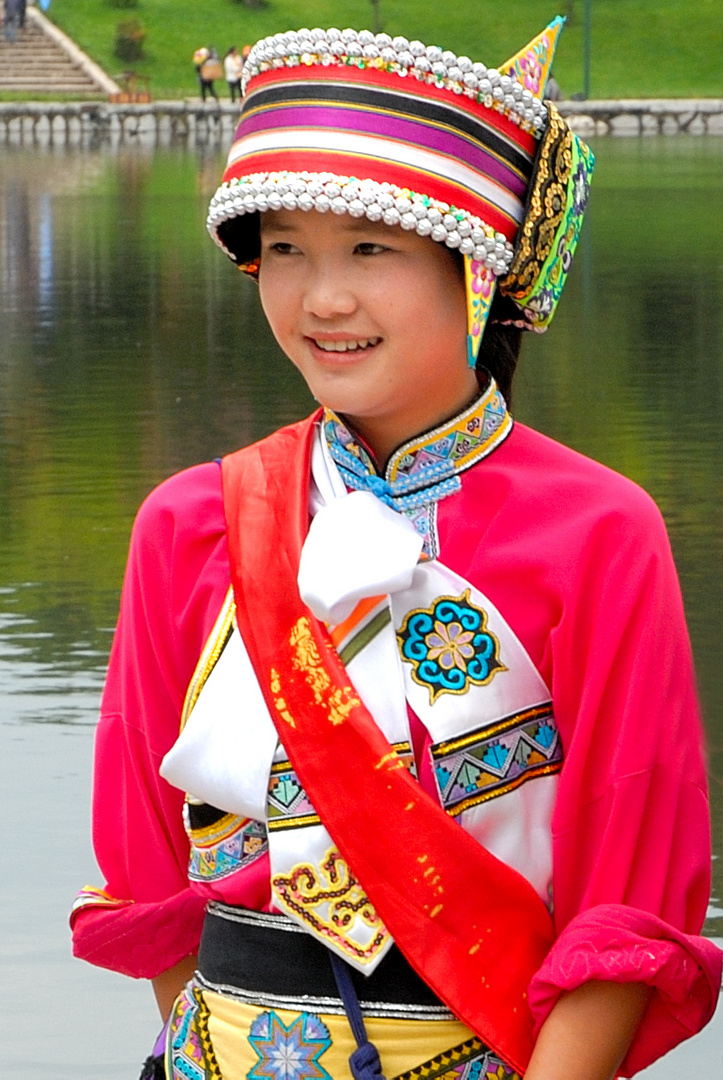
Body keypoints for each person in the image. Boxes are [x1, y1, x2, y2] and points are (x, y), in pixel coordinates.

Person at [71, 18, 722, 1080]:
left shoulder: (599, 533)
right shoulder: (192, 523)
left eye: (371, 249)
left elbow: (628, 909)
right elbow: (150, 878)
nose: (323, 298)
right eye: (286, 249)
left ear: (476, 272)